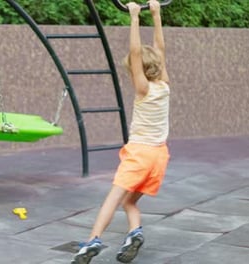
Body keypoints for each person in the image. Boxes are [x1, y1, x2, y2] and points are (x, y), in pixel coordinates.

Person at [71, 1, 170, 263]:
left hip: (139, 154)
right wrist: (157, 14)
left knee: (112, 198)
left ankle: (93, 240)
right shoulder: (164, 85)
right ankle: (134, 233)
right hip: (159, 157)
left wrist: (135, 17)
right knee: (129, 202)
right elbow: (159, 48)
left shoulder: (143, 89)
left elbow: (135, 53)